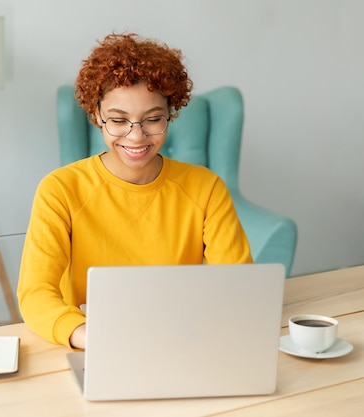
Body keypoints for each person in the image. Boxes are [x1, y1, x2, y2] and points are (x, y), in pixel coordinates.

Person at [17, 33, 252, 350]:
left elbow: (238, 286)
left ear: (172, 113)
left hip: (183, 341)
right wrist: (88, 336)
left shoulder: (206, 188)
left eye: (153, 119)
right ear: (96, 115)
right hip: (95, 343)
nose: (137, 136)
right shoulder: (60, 190)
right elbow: (36, 293)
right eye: (118, 120)